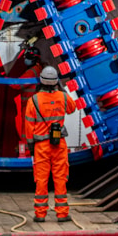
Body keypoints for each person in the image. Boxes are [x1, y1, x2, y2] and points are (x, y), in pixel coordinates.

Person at [24, 65, 76, 223]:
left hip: (41, 146)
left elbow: (28, 126)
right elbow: (72, 109)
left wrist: (31, 147)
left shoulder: (34, 101)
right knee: (60, 178)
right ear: (56, 82)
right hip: (58, 144)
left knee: (41, 179)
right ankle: (62, 213)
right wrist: (63, 92)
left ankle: (40, 214)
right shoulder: (63, 97)